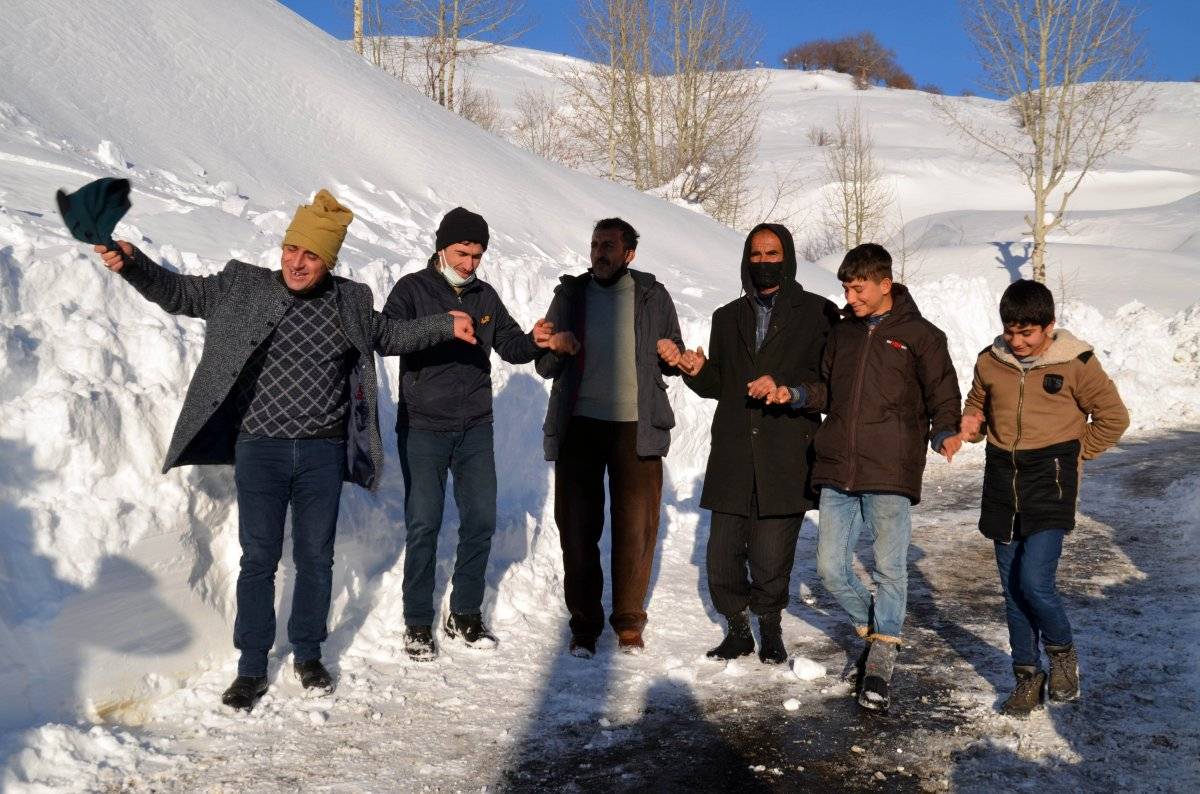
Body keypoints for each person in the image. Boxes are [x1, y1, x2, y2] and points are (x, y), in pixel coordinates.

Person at [91, 189, 474, 711]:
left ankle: (309, 654)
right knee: (258, 559)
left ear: (329, 261)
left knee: (316, 559)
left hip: (321, 453)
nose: (297, 262)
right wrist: (135, 266)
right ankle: (251, 666)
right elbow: (181, 294)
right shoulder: (242, 286)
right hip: (260, 449)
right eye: (291, 248)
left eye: (311, 255)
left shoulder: (350, 300)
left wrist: (443, 324)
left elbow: (388, 334)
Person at [382, 207, 573, 661]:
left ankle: (465, 612)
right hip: (423, 426)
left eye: (477, 255)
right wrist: (441, 326)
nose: (469, 264)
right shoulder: (412, 289)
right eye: (461, 253)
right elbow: (386, 337)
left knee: (481, 521)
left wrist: (535, 341)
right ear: (441, 248)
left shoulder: (485, 296)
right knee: (424, 523)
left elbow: (510, 346)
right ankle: (416, 622)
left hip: (474, 426)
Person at [785, 243, 961, 712]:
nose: (850, 297)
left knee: (888, 569)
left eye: (858, 288)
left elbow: (943, 393)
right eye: (846, 288)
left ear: (886, 284)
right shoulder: (842, 333)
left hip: (890, 466)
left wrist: (944, 431)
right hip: (838, 464)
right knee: (829, 566)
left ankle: (882, 655)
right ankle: (879, 632)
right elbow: (827, 390)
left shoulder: (922, 335)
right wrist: (796, 393)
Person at [960, 279, 1128, 717]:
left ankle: (1062, 653)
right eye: (1010, 332)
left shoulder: (1076, 363)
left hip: (1050, 483)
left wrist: (1072, 455)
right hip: (1002, 481)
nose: (1016, 342)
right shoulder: (990, 360)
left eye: (1027, 333)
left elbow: (1113, 417)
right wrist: (971, 422)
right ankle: (1027, 676)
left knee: (1034, 581)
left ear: (1049, 326)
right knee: (1012, 590)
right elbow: (977, 403)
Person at [672, 224, 839, 664]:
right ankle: (737, 628)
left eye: (773, 253)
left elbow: (830, 385)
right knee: (722, 555)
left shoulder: (819, 313)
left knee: (770, 555)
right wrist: (697, 371)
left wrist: (787, 388)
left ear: (789, 258)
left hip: (786, 451)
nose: (764, 262)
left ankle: (769, 624)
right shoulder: (726, 317)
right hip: (733, 453)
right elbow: (720, 386)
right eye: (756, 254)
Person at [535, 217, 682, 658]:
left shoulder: (653, 295)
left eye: (609, 246)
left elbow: (672, 352)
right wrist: (553, 347)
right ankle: (584, 625)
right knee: (577, 530)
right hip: (579, 424)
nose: (599, 253)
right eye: (595, 244)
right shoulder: (570, 294)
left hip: (637, 427)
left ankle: (629, 622)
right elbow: (544, 364)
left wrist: (673, 355)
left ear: (629, 254)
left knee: (635, 529)